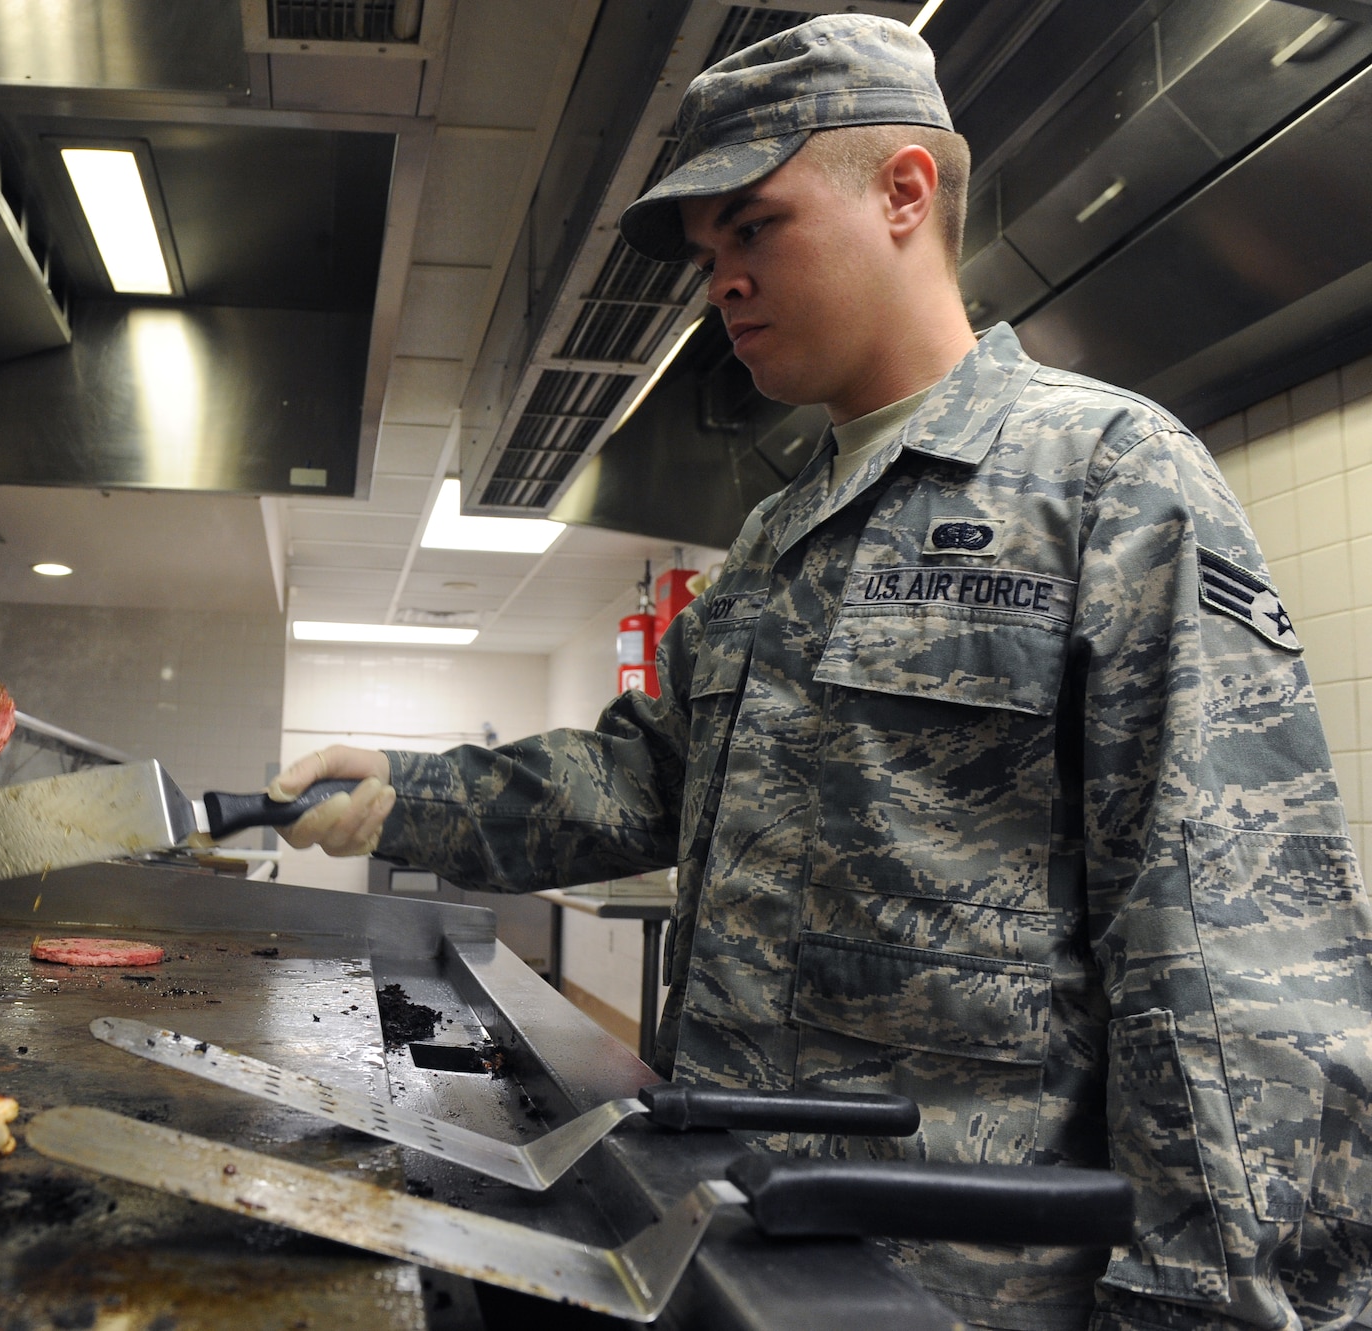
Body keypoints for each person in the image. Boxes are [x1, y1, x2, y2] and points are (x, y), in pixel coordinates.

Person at [270, 16, 1372, 1331]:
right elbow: (639, 780)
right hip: (736, 1228)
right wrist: (407, 792)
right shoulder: (774, 540)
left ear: (905, 191)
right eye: (707, 252)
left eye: (755, 226)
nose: (721, 281)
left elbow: (1228, 947)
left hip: (963, 1276)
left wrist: (1217, 1304)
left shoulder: (1106, 477)